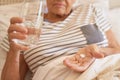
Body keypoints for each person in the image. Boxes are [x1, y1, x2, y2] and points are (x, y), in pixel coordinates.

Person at [1, 0, 120, 80]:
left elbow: (116, 49)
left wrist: (99, 51)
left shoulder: (90, 10)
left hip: (107, 68)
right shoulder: (25, 26)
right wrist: (13, 50)